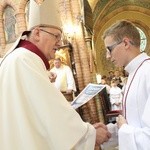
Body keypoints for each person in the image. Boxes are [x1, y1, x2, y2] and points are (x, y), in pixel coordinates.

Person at [0, 0, 111, 150]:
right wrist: (90, 134)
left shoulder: (20, 58)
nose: (59, 43)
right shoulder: (25, 60)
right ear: (37, 33)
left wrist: (87, 130)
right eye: (56, 36)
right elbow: (52, 114)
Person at [102, 19, 150, 150]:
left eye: (109, 49)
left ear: (125, 43)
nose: (107, 56)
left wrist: (123, 128)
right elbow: (134, 122)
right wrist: (107, 132)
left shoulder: (148, 71)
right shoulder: (134, 72)